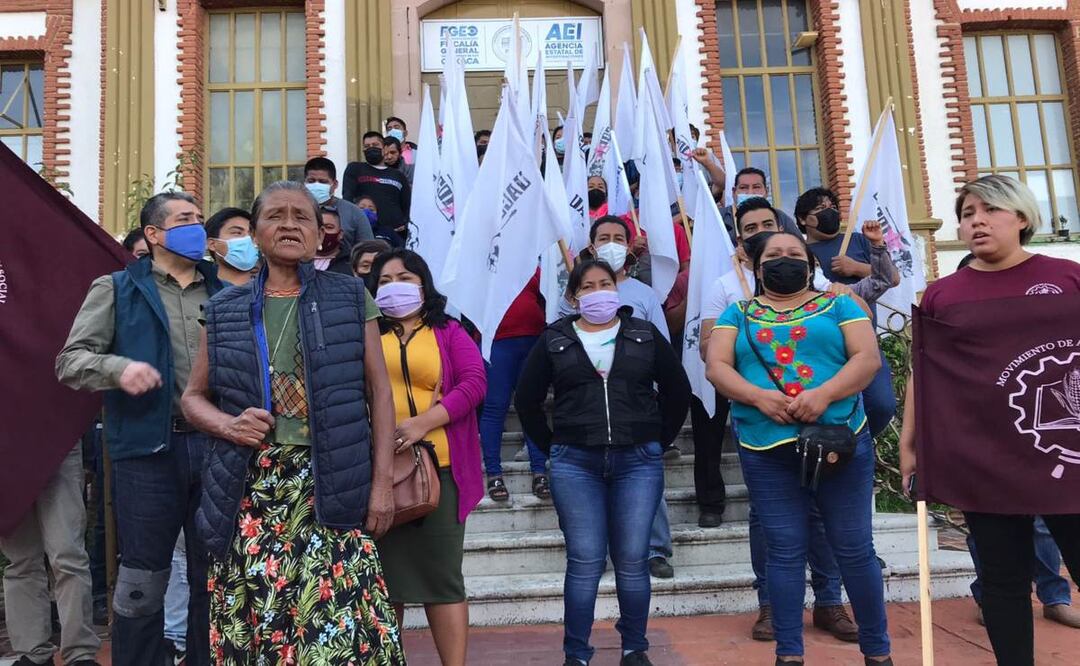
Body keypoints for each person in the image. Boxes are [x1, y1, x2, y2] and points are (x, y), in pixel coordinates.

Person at [179, 180, 404, 662]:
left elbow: (380, 394)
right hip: (250, 490)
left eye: (302, 217)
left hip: (332, 482)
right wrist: (228, 425)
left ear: (321, 234)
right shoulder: (223, 309)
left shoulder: (348, 295)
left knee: (334, 634)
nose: (288, 225)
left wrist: (382, 483)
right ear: (256, 232)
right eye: (275, 216)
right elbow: (193, 399)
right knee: (260, 624)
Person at [900, 175, 1080, 665]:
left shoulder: (1068, 277)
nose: (975, 220)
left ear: (1021, 218)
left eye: (989, 210)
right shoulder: (943, 295)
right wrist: (911, 443)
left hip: (1065, 454)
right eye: (966, 213)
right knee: (1002, 580)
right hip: (984, 456)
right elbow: (925, 372)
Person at [707, 230, 892, 665]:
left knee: (854, 548)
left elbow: (866, 358)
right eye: (774, 255)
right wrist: (757, 397)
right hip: (766, 447)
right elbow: (717, 365)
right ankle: (789, 654)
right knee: (784, 549)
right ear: (756, 266)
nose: (784, 260)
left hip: (840, 442)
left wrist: (823, 395)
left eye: (794, 254)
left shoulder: (841, 304)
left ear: (811, 265)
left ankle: (878, 652)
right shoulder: (738, 313)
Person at [56, 192, 224, 666]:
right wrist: (118, 369)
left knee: (212, 578)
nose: (197, 225)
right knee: (142, 580)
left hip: (217, 449)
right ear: (153, 235)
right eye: (185, 219)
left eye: (198, 217)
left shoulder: (225, 292)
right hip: (148, 450)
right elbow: (70, 361)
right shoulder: (115, 288)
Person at [515, 259, 691, 666]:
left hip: (638, 462)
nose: (597, 292)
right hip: (575, 463)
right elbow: (527, 400)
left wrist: (656, 439)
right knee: (584, 560)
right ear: (574, 297)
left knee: (632, 559)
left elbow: (677, 390)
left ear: (617, 288)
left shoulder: (644, 334)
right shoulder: (554, 338)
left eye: (604, 284)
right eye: (588, 287)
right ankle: (576, 654)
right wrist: (555, 446)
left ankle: (634, 648)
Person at [371, 249, 487, 666]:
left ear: (423, 283)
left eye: (403, 276)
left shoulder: (449, 332)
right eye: (384, 280)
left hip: (439, 471)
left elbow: (474, 384)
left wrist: (423, 422)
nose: (394, 286)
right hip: (377, 474)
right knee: (383, 584)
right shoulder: (363, 333)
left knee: (443, 580)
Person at [558, 217, 675, 579]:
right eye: (604, 238)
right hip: (588, 410)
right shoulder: (572, 297)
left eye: (619, 238)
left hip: (636, 408)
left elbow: (663, 352)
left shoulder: (644, 294)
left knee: (646, 483)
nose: (612, 243)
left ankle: (655, 549)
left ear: (629, 245)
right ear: (592, 247)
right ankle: (594, 551)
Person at [796, 187, 899, 437]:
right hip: (821, 349)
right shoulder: (798, 250)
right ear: (802, 219)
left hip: (862, 343)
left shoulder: (856, 240)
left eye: (832, 207)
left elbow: (888, 278)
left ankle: (857, 444)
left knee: (880, 404)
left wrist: (857, 265)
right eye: (821, 209)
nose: (829, 212)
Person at [0, 442, 101, 666]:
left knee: (68, 555)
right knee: (21, 561)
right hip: (7, 449)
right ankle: (34, 653)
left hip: (57, 442)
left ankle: (80, 654)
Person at [481, 270, 549, 502]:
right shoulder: (481, 260)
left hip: (533, 340)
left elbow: (549, 292)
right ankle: (494, 474)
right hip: (497, 341)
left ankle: (540, 471)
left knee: (531, 406)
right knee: (495, 407)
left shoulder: (533, 262)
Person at [343, 132, 412, 238]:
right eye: (367, 146)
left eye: (375, 145)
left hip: (396, 235)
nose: (371, 148)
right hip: (366, 232)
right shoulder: (355, 169)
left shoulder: (398, 175)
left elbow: (407, 204)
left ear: (384, 149)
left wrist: (405, 223)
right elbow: (347, 197)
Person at [303, 156, 373, 246]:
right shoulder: (296, 210)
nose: (316, 185)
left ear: (335, 184)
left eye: (323, 182)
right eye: (311, 181)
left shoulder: (354, 213)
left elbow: (368, 249)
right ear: (304, 182)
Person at [719, 168, 801, 242]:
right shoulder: (719, 217)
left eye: (756, 187)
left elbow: (800, 246)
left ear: (766, 191)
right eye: (744, 188)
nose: (750, 192)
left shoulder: (780, 217)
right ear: (734, 192)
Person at [205, 207, 258, 286]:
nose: (248, 239)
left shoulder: (272, 289)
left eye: (252, 234)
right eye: (237, 233)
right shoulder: (197, 291)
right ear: (212, 244)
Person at [312, 204, 352, 274]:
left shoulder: (352, 263)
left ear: (340, 234)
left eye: (329, 227)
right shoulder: (295, 260)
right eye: (317, 226)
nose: (322, 232)